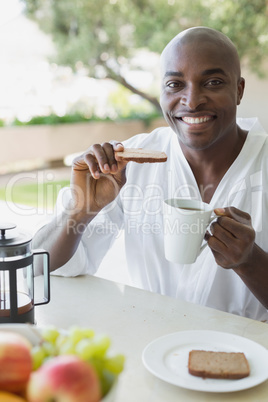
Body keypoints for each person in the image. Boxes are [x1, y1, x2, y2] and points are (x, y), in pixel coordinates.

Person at [33, 26, 268, 321]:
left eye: (213, 82)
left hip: (251, 353)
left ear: (239, 90)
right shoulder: (126, 165)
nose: (192, 101)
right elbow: (38, 267)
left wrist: (249, 261)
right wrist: (78, 211)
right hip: (153, 343)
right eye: (175, 84)